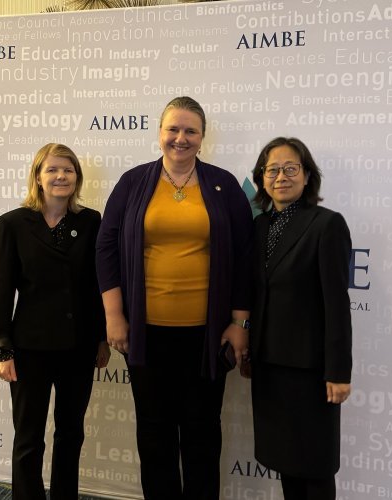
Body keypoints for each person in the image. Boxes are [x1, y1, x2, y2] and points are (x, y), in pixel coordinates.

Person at [95, 96, 253, 500]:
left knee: (202, 432)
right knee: (154, 431)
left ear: (202, 137)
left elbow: (244, 257)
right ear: (160, 132)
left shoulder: (223, 185)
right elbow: (106, 247)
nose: (180, 138)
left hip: (207, 337)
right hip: (146, 336)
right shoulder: (134, 182)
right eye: (173, 129)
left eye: (190, 131)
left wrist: (238, 323)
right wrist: (114, 316)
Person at [0, 143, 110, 500]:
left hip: (79, 346)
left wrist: (101, 338)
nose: (61, 176)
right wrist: (1, 348)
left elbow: (95, 286)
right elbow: (1, 290)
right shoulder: (12, 223)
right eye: (53, 170)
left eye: (68, 170)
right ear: (38, 177)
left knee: (71, 433)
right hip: (29, 348)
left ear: (77, 178)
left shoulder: (90, 221)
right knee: (28, 437)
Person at [247, 137, 352, 500]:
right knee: (287, 464)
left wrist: (338, 371)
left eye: (290, 168)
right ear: (261, 179)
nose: (281, 177)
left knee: (316, 468)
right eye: (272, 170)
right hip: (269, 368)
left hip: (311, 371)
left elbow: (337, 304)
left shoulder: (327, 225)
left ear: (307, 176)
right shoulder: (259, 227)